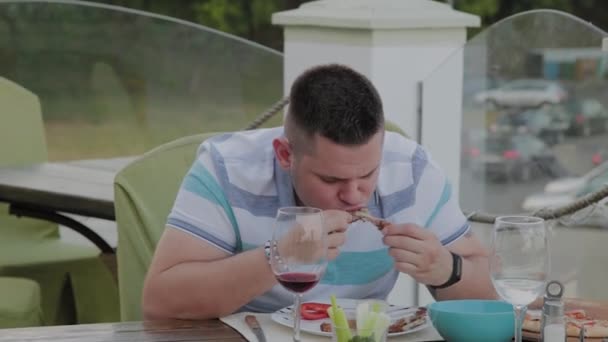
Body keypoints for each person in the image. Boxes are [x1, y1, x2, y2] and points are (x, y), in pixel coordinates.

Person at [142, 64, 497, 320]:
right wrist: (277, 257)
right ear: (285, 155)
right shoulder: (226, 169)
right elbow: (161, 301)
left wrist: (447, 270)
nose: (355, 195)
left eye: (368, 174)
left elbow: (494, 301)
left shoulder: (412, 171)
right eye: (331, 181)